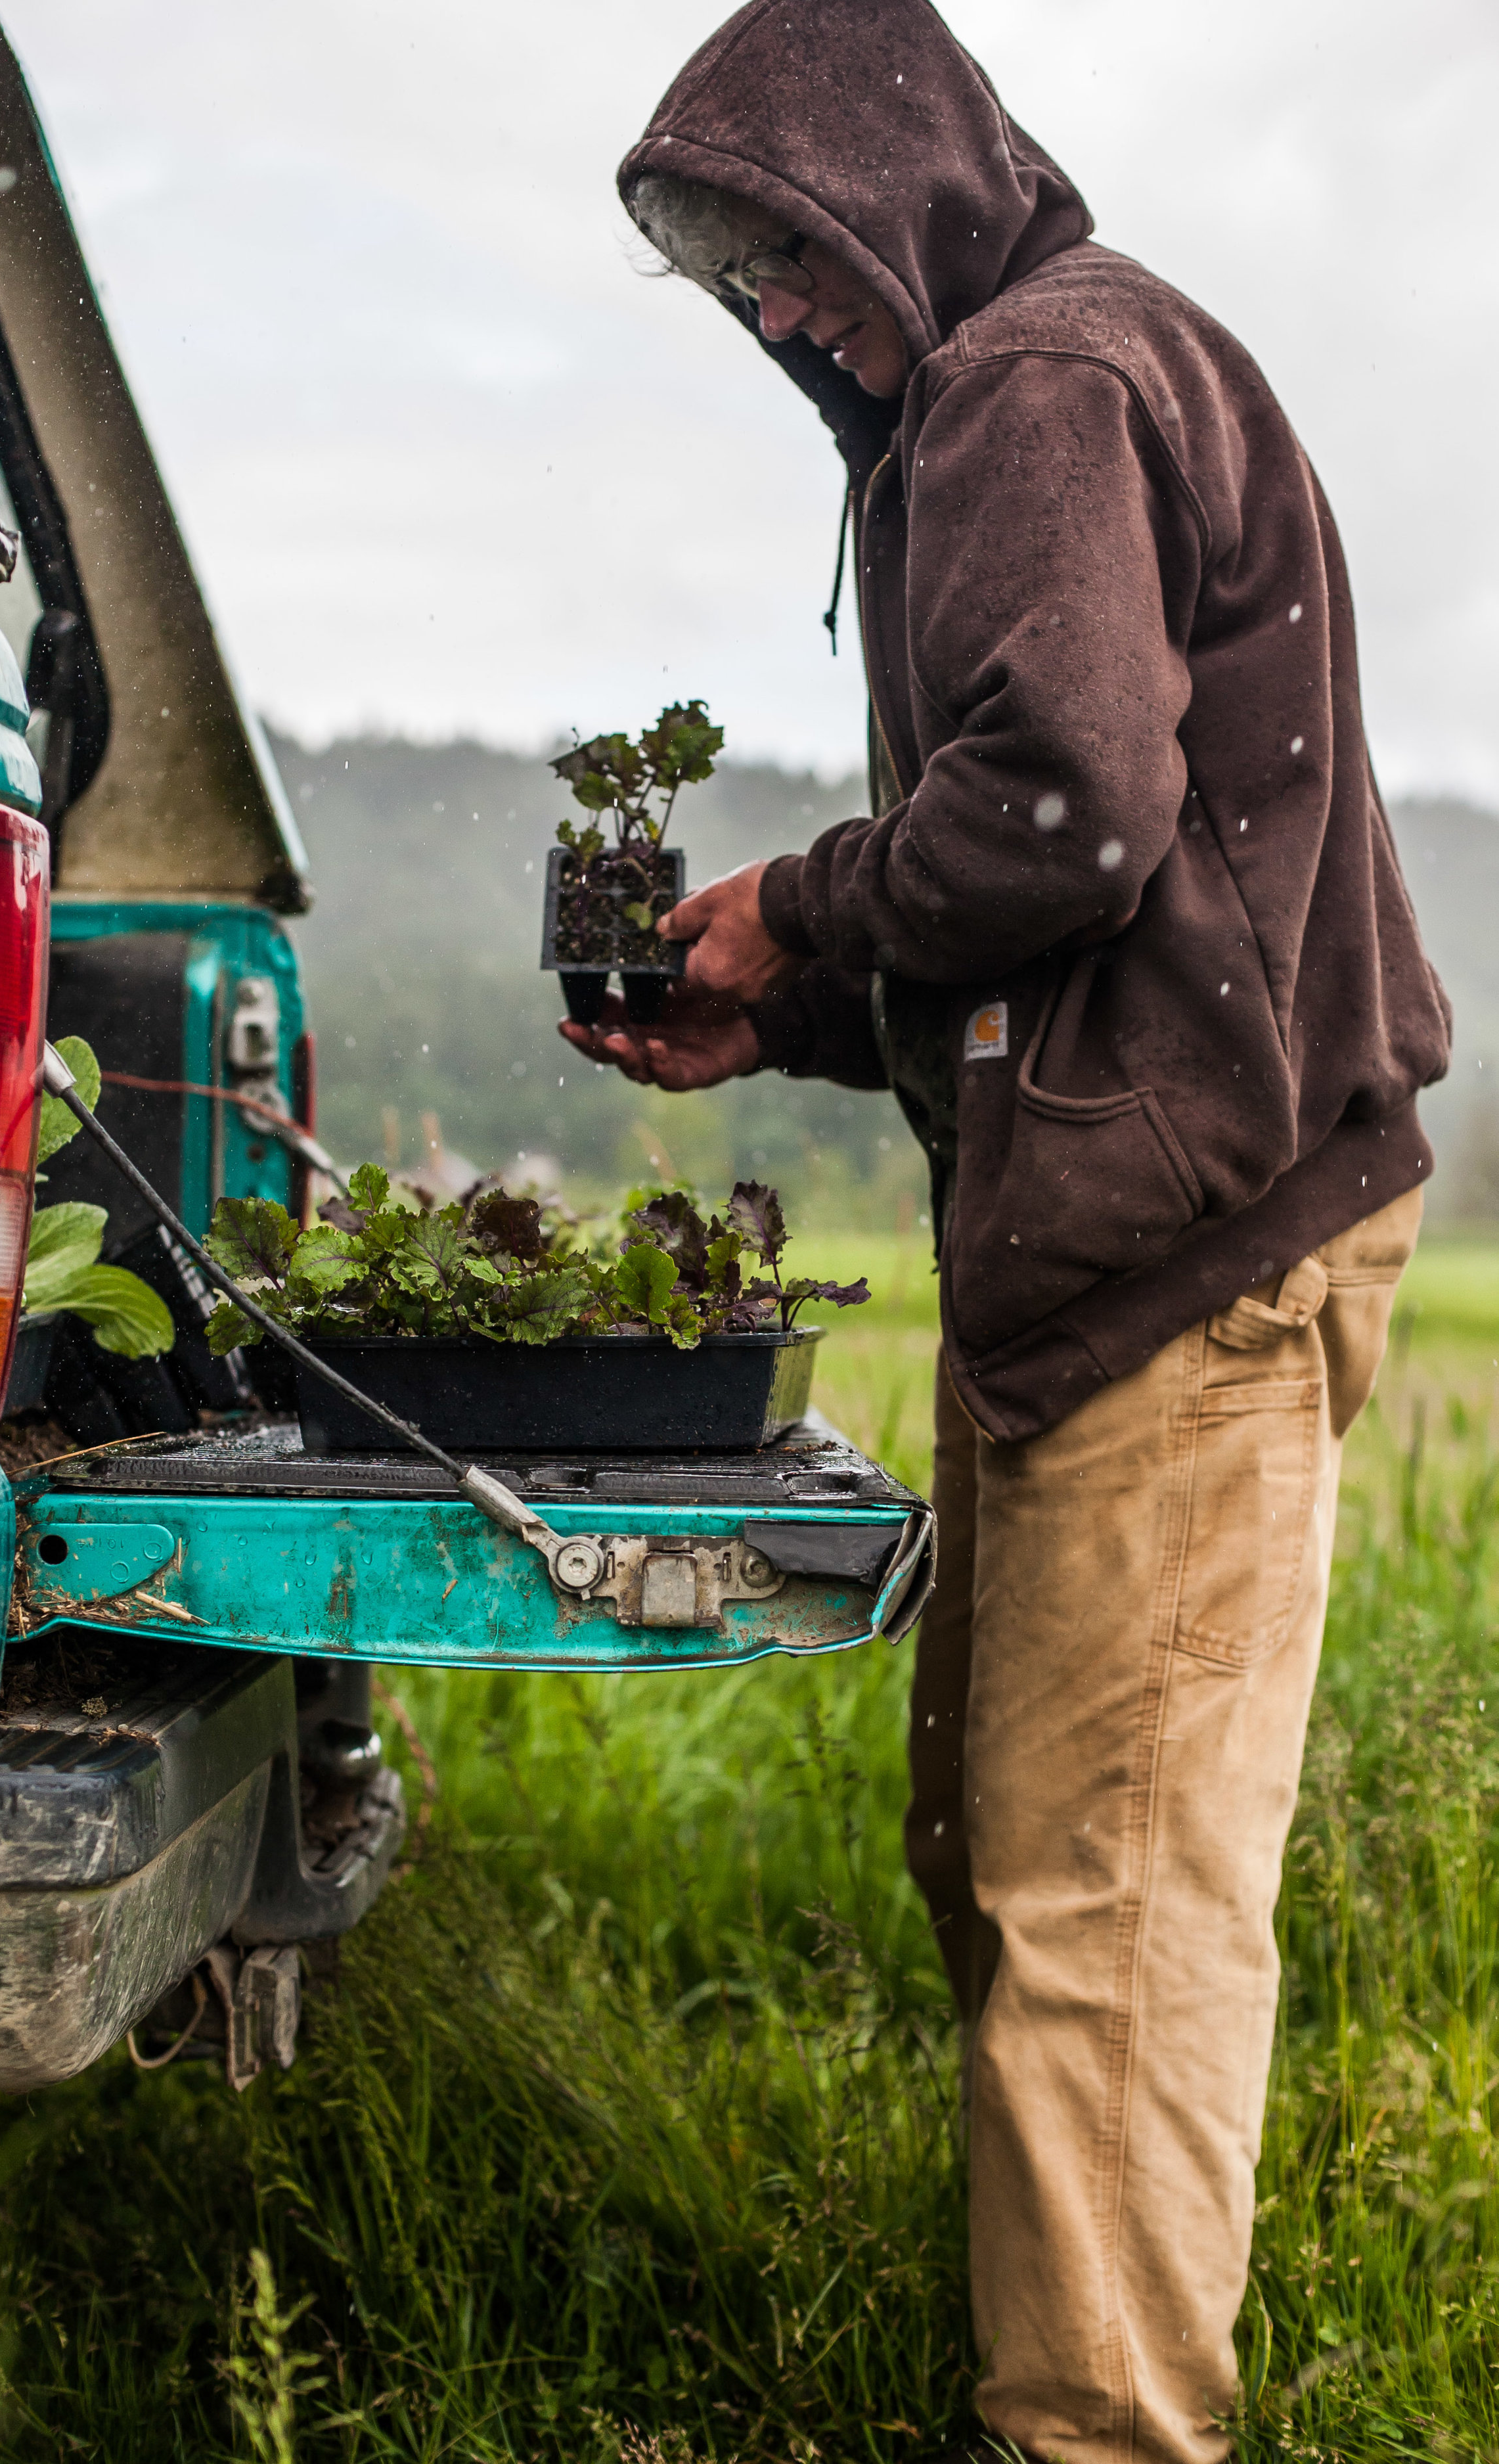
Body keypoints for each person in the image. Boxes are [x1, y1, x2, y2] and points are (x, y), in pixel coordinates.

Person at [560, 4, 1452, 2460]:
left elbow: (1064, 812)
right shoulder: (1064, 375)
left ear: (901, 171)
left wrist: (784, 905)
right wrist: (800, 1017)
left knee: (1114, 1919)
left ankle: (1094, 2438)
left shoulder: (1031, 385)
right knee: (1024, 1862)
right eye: (733, 275)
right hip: (1116, 1253)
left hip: (1185, 1268)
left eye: (791, 246)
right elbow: (1095, 939)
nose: (775, 310)